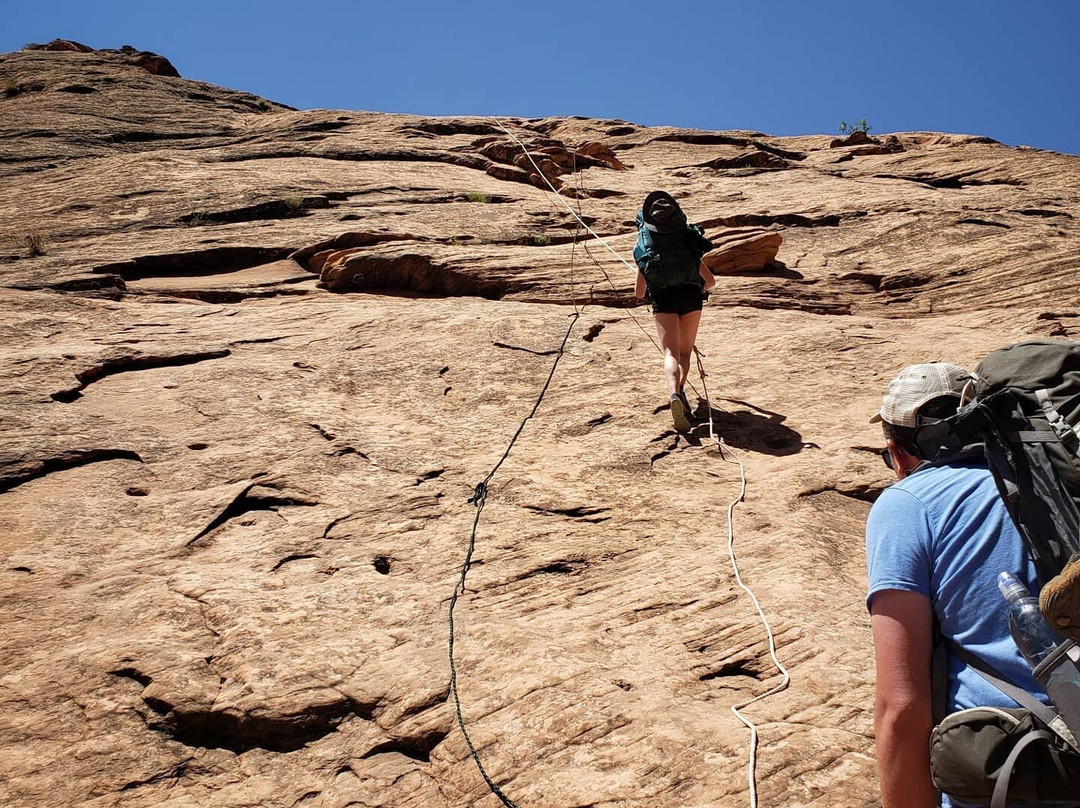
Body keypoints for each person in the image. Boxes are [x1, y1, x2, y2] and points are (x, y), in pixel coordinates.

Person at [865, 362, 1051, 808]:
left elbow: (902, 707)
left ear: (896, 451)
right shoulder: (1054, 480)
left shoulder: (908, 504)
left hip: (1013, 769)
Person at [631, 191, 716, 432]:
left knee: (670, 352)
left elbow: (639, 292)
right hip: (690, 296)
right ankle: (679, 393)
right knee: (685, 353)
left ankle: (674, 394)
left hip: (663, 298)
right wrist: (696, 284)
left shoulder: (645, 245)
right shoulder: (685, 241)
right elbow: (710, 282)